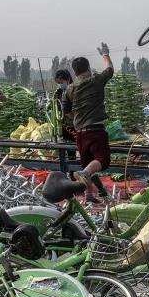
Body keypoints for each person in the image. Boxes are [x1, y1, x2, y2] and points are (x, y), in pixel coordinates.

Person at [63, 43, 114, 198]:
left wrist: (78, 119)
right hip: (96, 131)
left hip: (81, 133)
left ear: (74, 71)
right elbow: (109, 70)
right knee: (102, 160)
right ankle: (84, 174)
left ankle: (90, 197)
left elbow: (67, 112)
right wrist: (105, 54)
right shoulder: (95, 81)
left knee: (88, 164)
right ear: (88, 68)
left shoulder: (69, 89)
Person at [53, 69, 75, 142]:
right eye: (58, 83)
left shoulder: (75, 90)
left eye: (61, 82)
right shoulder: (58, 92)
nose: (60, 85)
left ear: (67, 79)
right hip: (64, 124)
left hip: (74, 123)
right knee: (66, 143)